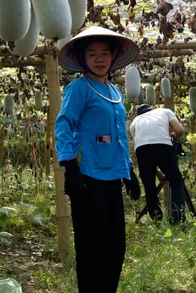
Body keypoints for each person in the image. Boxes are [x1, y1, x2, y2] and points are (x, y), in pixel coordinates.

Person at [54, 26, 142, 293]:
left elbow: (118, 137)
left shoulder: (115, 92)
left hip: (112, 177)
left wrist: (129, 172)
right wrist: (70, 166)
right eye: (92, 54)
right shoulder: (79, 88)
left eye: (104, 53)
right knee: (92, 247)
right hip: (87, 177)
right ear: (83, 59)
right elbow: (64, 124)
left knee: (115, 245)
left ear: (113, 57)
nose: (99, 58)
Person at [130, 103, 186, 224]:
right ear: (152, 109)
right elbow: (180, 130)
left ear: (138, 114)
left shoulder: (135, 122)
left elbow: (140, 146)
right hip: (163, 146)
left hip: (142, 150)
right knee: (176, 181)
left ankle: (157, 219)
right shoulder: (164, 111)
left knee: (149, 186)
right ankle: (177, 218)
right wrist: (173, 136)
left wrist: (157, 173)